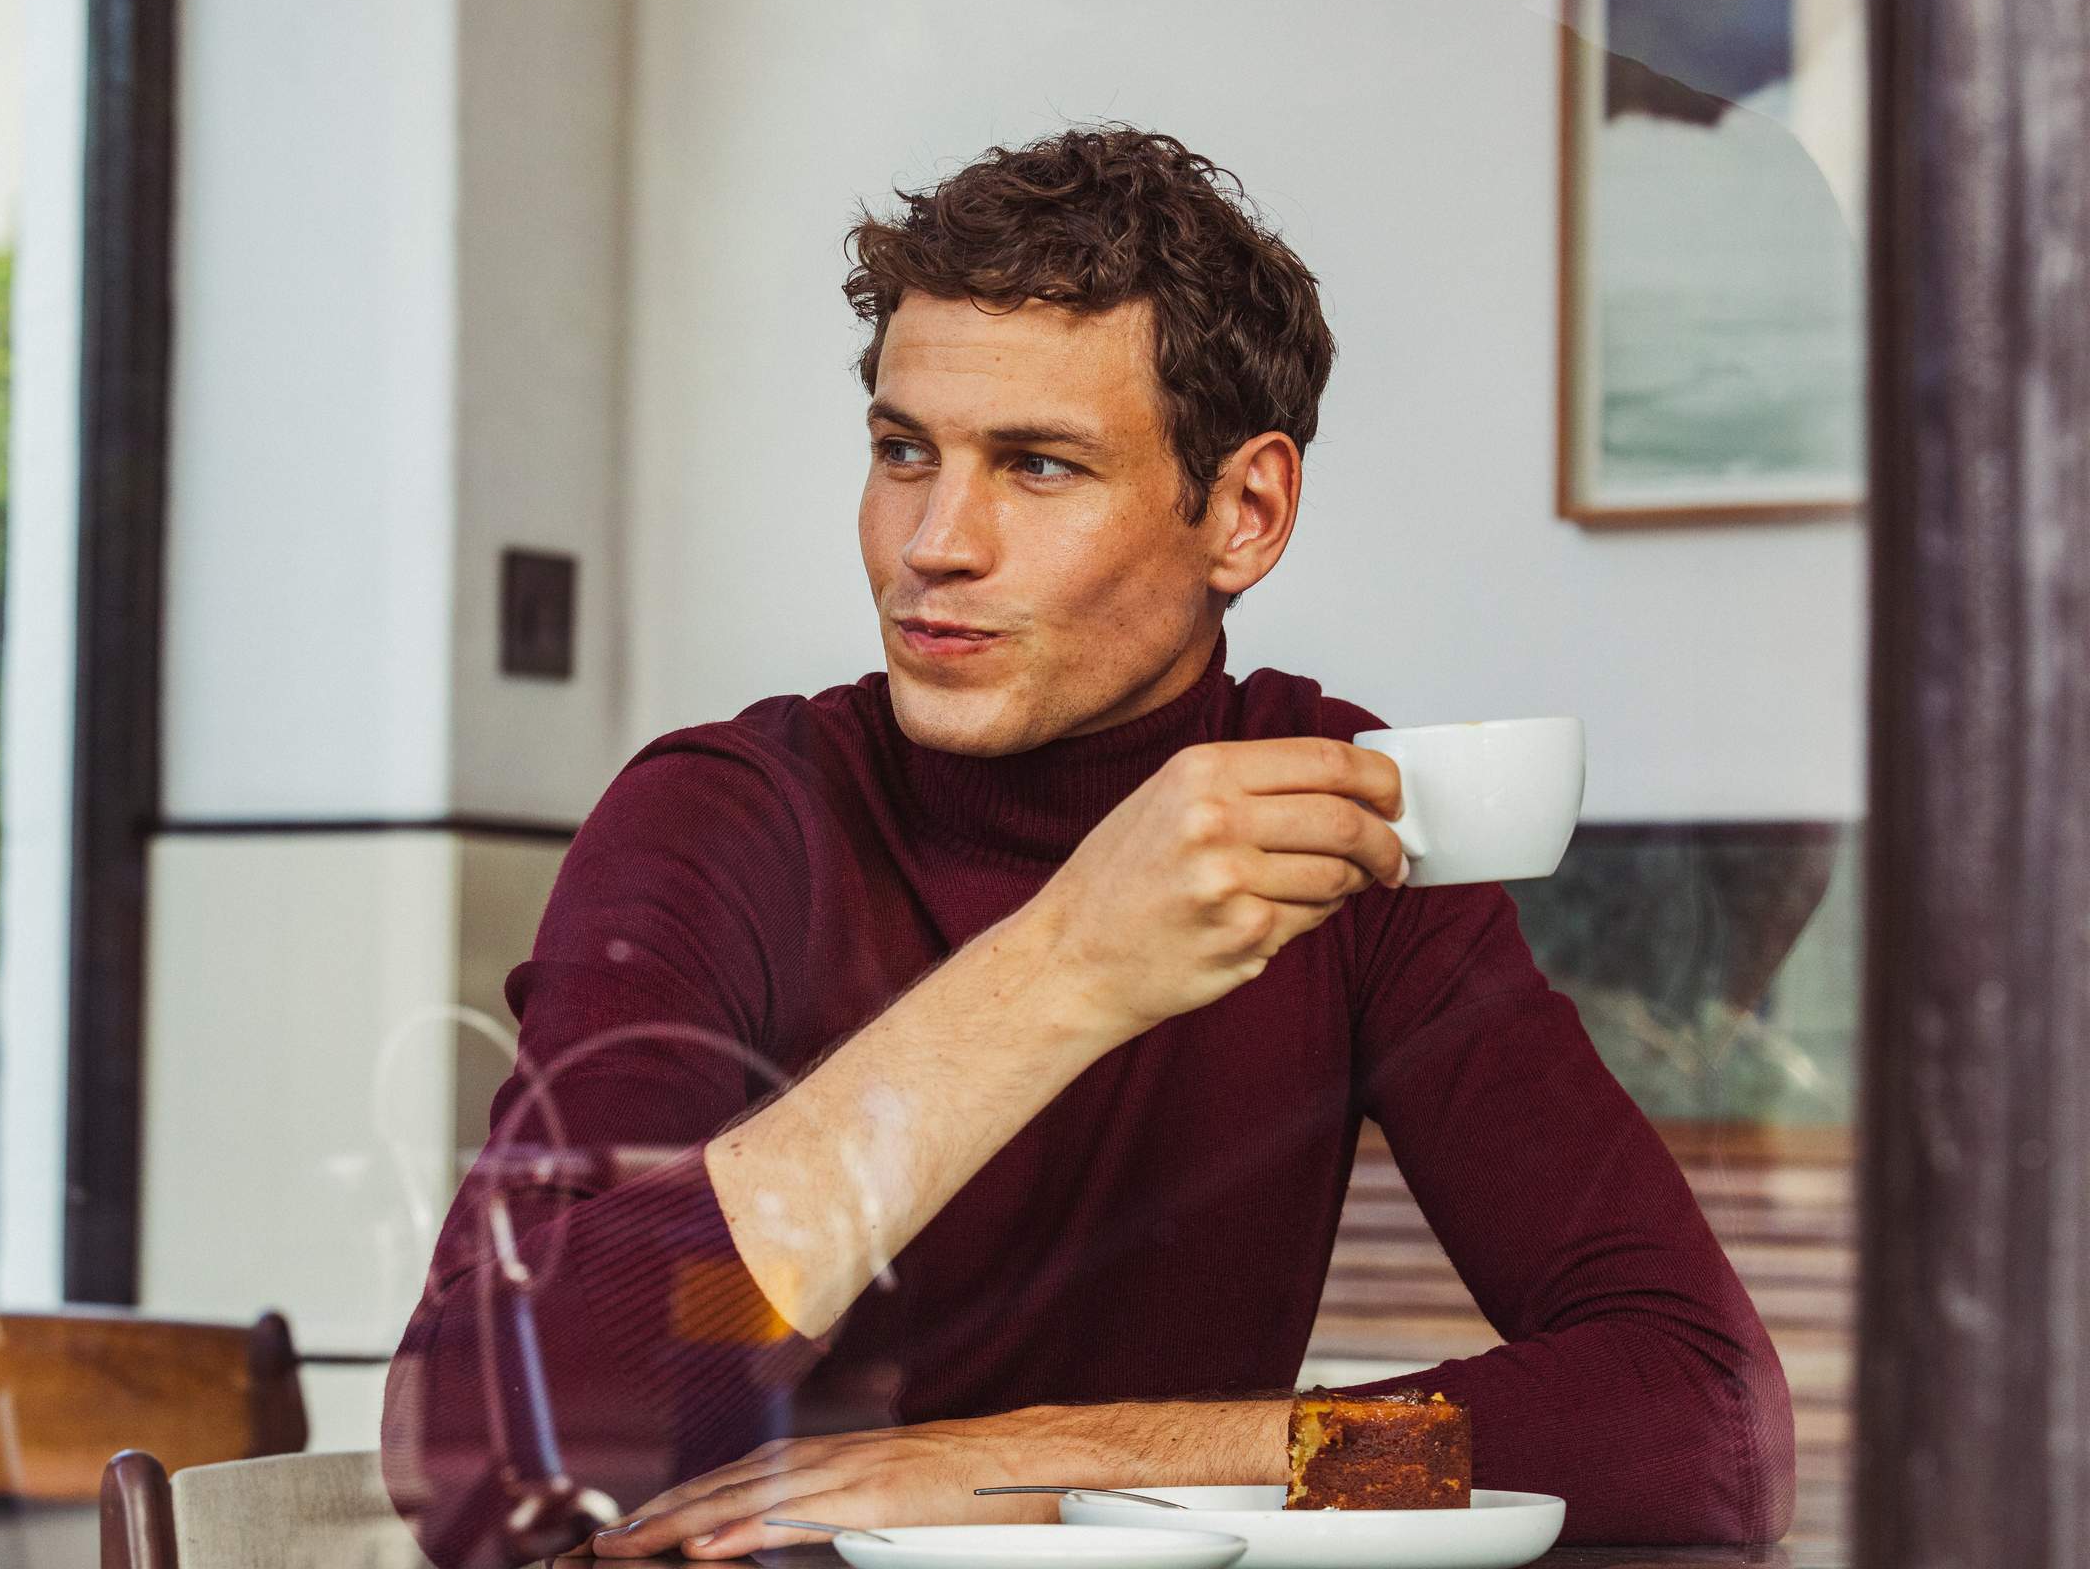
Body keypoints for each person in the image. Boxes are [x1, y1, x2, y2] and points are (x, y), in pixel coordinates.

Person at [382, 125, 1794, 1567]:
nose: (935, 541)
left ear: (1245, 513)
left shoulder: (1333, 825)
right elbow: (493, 1464)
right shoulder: (729, 824)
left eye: (1039, 467)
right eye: (901, 451)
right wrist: (1066, 969)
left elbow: (1701, 1431)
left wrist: (1065, 1462)